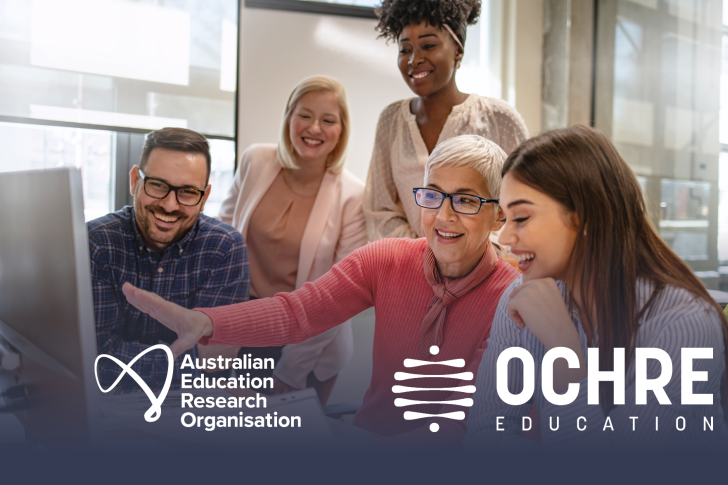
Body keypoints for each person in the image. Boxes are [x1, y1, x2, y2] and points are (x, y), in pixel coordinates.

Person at [122, 135, 519, 443]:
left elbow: (467, 427)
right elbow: (298, 313)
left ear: (499, 213)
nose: (443, 215)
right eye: (433, 196)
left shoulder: (512, 301)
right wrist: (204, 323)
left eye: (465, 200)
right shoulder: (385, 259)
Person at [464, 126, 728, 449]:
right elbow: (485, 434)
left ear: (584, 220)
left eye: (522, 218)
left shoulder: (685, 323)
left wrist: (564, 349)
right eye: (505, 218)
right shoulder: (522, 300)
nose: (506, 238)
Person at [219, 76, 366, 405]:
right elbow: (220, 239)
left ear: (341, 131)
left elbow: (340, 294)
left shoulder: (354, 196)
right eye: (305, 115)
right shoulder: (255, 160)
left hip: (309, 343)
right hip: (246, 325)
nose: (314, 128)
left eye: (328, 120)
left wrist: (292, 367)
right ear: (289, 116)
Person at [88, 127, 249, 387]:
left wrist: (204, 361)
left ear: (204, 197)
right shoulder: (97, 243)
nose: (169, 205)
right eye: (157, 185)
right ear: (134, 181)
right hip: (109, 404)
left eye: (187, 191)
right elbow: (97, 360)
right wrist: (190, 361)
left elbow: (217, 361)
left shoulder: (224, 248)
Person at [364, 0, 529, 242]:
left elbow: (522, 203)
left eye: (428, 45)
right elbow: (380, 209)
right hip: (411, 268)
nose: (414, 59)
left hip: (487, 270)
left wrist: (469, 258)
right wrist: (426, 257)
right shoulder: (391, 121)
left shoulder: (499, 119)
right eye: (405, 49)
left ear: (458, 52)